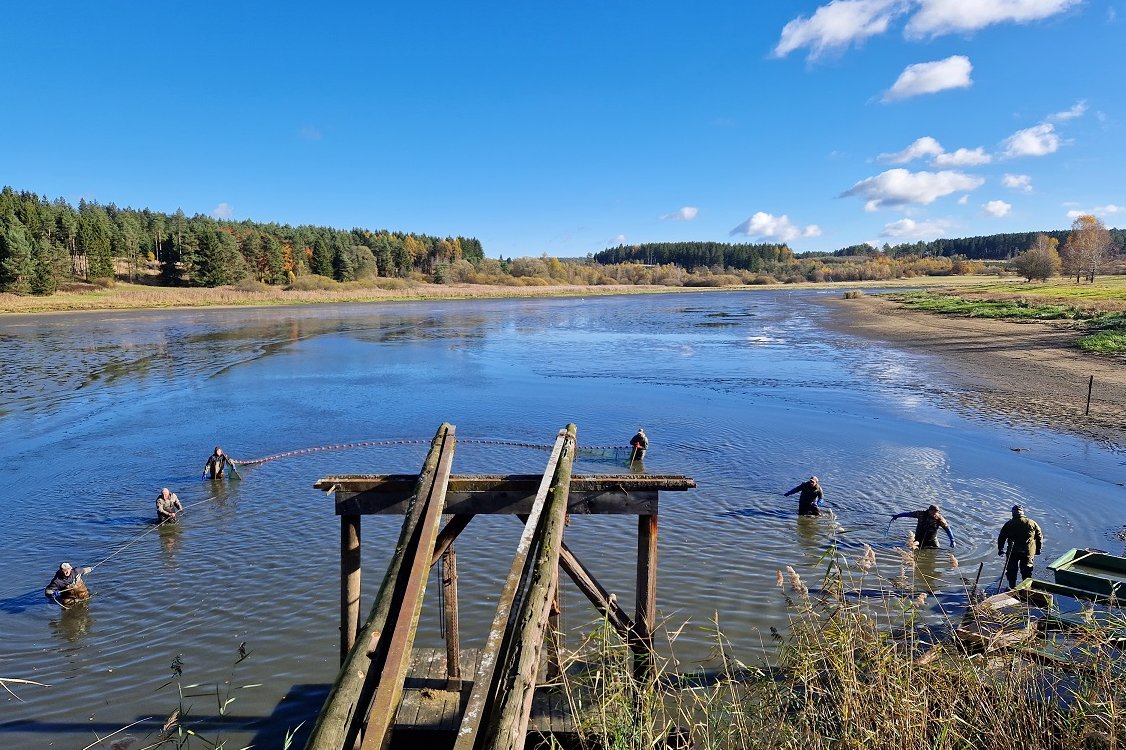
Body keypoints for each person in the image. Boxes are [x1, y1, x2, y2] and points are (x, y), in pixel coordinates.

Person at [998, 505, 1044, 589]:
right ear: (1023, 513)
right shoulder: (1032, 523)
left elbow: (1001, 538)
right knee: (1027, 570)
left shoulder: (1009, 524)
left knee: (1012, 570)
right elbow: (1039, 537)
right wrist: (1038, 549)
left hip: (1013, 552)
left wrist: (1000, 549)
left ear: (1013, 513)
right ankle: (1026, 589)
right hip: (1028, 552)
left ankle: (1012, 587)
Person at [891, 504, 956, 549]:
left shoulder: (940, 518)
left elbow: (947, 529)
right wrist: (897, 516)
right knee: (916, 548)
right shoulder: (920, 514)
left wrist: (952, 540)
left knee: (936, 549)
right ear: (929, 510)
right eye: (933, 512)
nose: (934, 514)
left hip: (932, 539)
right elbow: (908, 514)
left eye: (936, 513)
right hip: (919, 536)